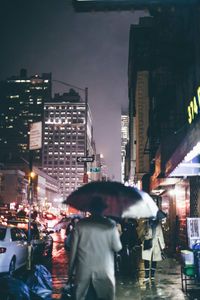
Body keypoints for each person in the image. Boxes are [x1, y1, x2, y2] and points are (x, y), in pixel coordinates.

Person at [68, 196, 122, 300]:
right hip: (104, 272)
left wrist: (70, 272)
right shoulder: (110, 225)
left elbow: (73, 251)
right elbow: (117, 247)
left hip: (83, 272)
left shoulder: (80, 225)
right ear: (103, 209)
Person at [142, 218, 165, 282]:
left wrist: (162, 246)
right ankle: (146, 275)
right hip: (147, 242)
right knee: (146, 259)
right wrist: (145, 233)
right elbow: (142, 233)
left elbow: (160, 235)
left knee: (154, 259)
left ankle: (152, 275)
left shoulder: (158, 224)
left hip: (156, 243)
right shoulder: (146, 223)